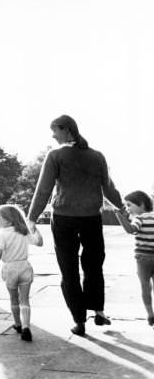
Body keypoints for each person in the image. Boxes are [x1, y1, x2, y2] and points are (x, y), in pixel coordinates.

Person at [26, 114, 125, 336]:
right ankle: (98, 311)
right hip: (91, 218)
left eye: (55, 130)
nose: (53, 135)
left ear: (67, 130)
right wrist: (122, 208)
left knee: (68, 270)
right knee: (94, 265)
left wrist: (31, 218)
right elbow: (109, 188)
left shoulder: (56, 156)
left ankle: (79, 321)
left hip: (64, 219)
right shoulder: (97, 156)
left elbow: (43, 190)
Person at [0, 203, 43, 342]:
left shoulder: (1, 234)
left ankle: (17, 324)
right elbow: (39, 242)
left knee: (14, 299)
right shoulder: (23, 231)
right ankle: (26, 327)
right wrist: (35, 229)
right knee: (24, 299)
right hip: (25, 267)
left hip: (10, 269)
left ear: (8, 220)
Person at [113, 190, 154, 326]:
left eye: (129, 205)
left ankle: (149, 314)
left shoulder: (139, 218)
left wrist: (119, 216)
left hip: (143, 259)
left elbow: (131, 230)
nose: (127, 209)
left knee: (145, 286)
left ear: (141, 204)